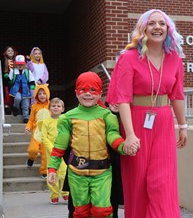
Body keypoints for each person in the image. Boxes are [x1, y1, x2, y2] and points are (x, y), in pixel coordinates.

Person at [106, 9, 188, 218]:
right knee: (138, 182)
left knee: (163, 182)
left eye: (162, 23)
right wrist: (130, 135)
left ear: (168, 29)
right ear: (143, 29)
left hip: (163, 121)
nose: (157, 27)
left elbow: (177, 95)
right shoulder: (129, 57)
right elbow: (123, 98)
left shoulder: (174, 58)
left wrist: (183, 125)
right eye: (151, 23)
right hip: (135, 120)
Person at [47, 72, 133, 218]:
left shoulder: (107, 116)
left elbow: (112, 135)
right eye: (83, 90)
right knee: (80, 212)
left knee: (102, 212)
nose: (88, 94)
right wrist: (52, 169)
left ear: (100, 93)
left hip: (102, 173)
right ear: (76, 93)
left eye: (93, 90)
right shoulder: (67, 118)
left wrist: (123, 146)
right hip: (77, 174)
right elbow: (59, 146)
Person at [63, 102, 124, 218]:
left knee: (107, 208)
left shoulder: (128, 120)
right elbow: (67, 145)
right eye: (113, 99)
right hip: (81, 172)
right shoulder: (92, 114)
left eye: (119, 101)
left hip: (111, 174)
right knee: (79, 209)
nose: (116, 103)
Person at [41, 97, 69, 205]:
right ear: (49, 108)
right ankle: (54, 194)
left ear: (62, 109)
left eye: (58, 106)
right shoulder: (46, 122)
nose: (56, 108)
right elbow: (44, 137)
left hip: (63, 151)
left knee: (64, 172)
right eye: (53, 106)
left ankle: (66, 192)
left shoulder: (65, 120)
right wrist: (52, 148)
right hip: (51, 152)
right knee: (52, 174)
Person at [25, 84, 51, 178]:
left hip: (47, 135)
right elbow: (31, 119)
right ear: (36, 95)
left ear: (47, 94)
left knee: (45, 154)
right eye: (39, 93)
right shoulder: (34, 106)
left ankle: (44, 171)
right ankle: (31, 158)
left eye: (44, 93)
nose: (42, 95)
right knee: (33, 150)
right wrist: (28, 127)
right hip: (36, 133)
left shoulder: (51, 105)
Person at [3, 54, 35, 123]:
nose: (20, 66)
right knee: (17, 98)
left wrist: (32, 84)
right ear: (15, 64)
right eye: (18, 64)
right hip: (16, 90)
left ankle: (26, 117)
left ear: (24, 64)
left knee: (25, 105)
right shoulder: (13, 71)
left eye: (21, 64)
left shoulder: (27, 72)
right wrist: (7, 77)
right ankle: (15, 107)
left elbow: (31, 79)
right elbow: (10, 79)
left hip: (25, 91)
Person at [2, 46, 17, 114]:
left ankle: (13, 107)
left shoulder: (16, 61)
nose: (10, 52)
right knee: (7, 94)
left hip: (15, 79)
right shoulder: (3, 60)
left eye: (12, 51)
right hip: (7, 80)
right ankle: (7, 107)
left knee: (14, 94)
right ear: (5, 52)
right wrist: (5, 75)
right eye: (8, 51)